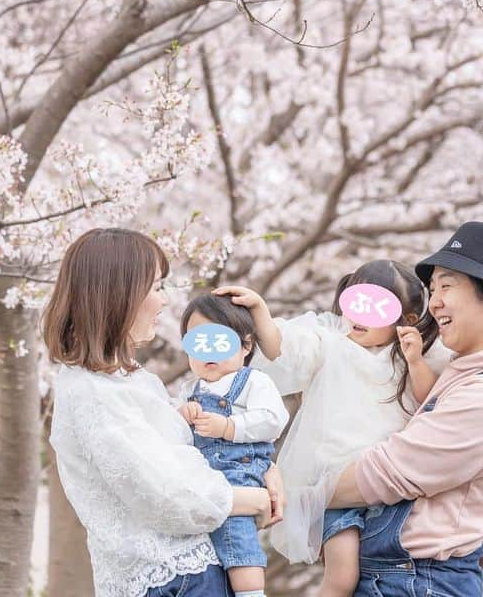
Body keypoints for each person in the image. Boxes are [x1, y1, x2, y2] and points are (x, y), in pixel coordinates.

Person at [44, 228, 283, 597]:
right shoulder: (92, 393)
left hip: (187, 572)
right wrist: (249, 499)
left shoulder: (128, 382)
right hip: (172, 579)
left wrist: (263, 468)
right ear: (120, 295)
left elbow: (185, 454)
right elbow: (165, 493)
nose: (165, 302)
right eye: (157, 287)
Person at [328, 221, 483, 597]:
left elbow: (383, 476)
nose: (434, 303)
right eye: (432, 289)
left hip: (415, 582)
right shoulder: (469, 376)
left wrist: (285, 494)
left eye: (447, 286)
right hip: (405, 578)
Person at [213, 259, 450, 597]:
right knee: (342, 576)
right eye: (356, 303)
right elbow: (286, 349)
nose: (359, 317)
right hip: (335, 486)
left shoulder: (410, 356)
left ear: (405, 320)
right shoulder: (328, 340)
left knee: (367, 570)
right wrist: (260, 312)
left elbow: (429, 401)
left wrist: (414, 361)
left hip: (386, 486)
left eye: (376, 308)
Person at [176, 294, 291, 597]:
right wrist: (182, 415)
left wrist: (229, 427)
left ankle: (251, 593)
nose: (208, 353)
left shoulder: (253, 381)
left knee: (237, 542)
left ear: (246, 345)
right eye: (198, 342)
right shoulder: (190, 390)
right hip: (203, 483)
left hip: (239, 476)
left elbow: (273, 419)